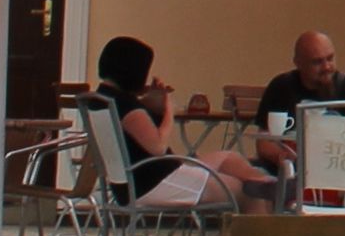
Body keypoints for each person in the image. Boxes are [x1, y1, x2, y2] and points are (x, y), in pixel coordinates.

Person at [88, 37, 253, 207]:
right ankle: (266, 203)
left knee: (230, 159)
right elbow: (158, 147)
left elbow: (134, 130)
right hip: (154, 182)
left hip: (136, 181)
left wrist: (150, 103)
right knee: (243, 189)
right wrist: (168, 111)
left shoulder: (101, 99)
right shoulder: (126, 106)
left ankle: (267, 182)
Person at [245, 32, 345, 175]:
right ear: (298, 63)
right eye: (317, 62)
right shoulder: (281, 86)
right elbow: (264, 140)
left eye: (330, 58)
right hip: (285, 173)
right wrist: (282, 157)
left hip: (337, 174)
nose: (327, 67)